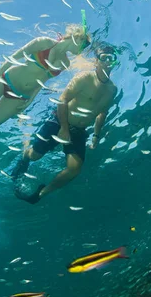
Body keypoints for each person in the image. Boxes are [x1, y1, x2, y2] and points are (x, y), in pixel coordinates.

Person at [10, 43, 118, 204]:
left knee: (74, 169)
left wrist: (96, 135)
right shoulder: (84, 78)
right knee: (35, 156)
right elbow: (62, 100)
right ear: (96, 61)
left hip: (79, 131)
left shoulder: (112, 90)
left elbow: (102, 113)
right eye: (104, 58)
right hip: (59, 121)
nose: (108, 61)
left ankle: (40, 194)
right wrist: (64, 129)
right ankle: (25, 155)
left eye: (112, 58)